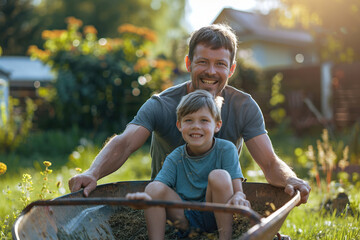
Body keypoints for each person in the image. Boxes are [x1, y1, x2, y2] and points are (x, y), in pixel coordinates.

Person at [68, 23, 310, 205]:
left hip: (222, 203)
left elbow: (268, 162)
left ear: (232, 69)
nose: (211, 71)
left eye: (221, 64)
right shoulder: (162, 104)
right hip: (171, 203)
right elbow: (124, 143)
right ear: (188, 64)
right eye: (203, 62)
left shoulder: (244, 106)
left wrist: (290, 179)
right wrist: (92, 172)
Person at [126, 89, 249, 239]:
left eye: (204, 120)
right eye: (189, 120)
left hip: (215, 215)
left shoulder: (226, 149)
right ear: (179, 125)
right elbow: (157, 187)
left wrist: (239, 197)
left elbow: (238, 191)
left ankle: (225, 237)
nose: (196, 126)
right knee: (153, 187)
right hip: (184, 219)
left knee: (220, 175)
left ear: (217, 125)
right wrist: (146, 198)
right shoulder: (175, 158)